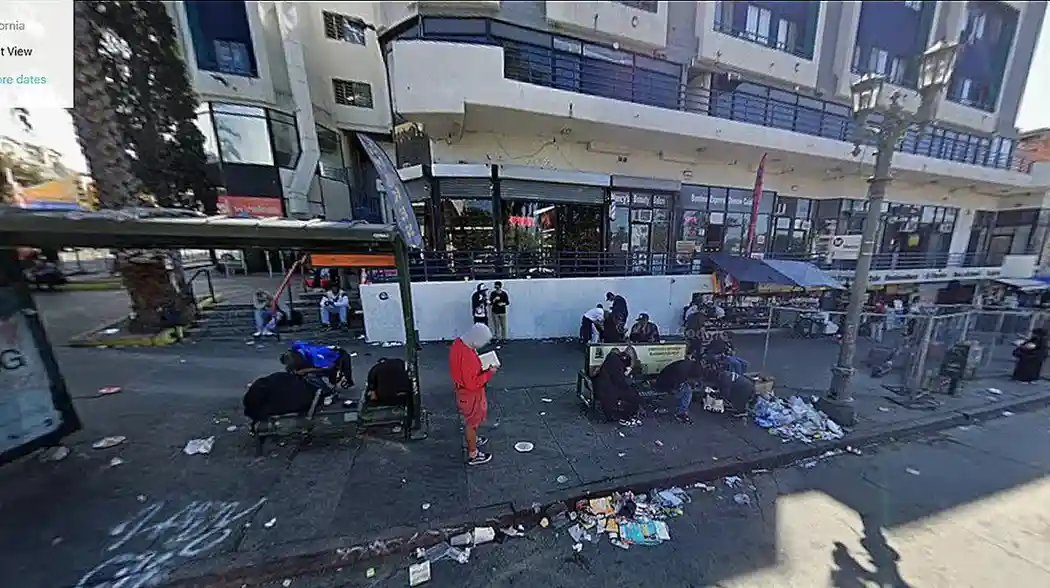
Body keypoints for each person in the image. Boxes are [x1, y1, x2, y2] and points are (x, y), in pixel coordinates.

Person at [450, 323, 497, 465]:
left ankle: (473, 439)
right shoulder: (468, 356)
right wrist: (489, 373)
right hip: (470, 394)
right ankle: (473, 453)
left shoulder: (458, 343)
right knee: (472, 423)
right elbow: (472, 383)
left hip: (462, 391)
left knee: (471, 421)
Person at [593, 348, 641, 425]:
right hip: (608, 392)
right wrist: (627, 375)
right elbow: (620, 382)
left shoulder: (612, 359)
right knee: (633, 395)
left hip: (603, 388)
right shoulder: (617, 362)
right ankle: (627, 414)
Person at [652, 358, 704, 423]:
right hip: (664, 384)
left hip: (666, 380)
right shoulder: (681, 373)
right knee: (688, 392)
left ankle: (680, 410)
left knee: (687, 389)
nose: (695, 382)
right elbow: (675, 390)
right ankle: (680, 412)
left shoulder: (688, 366)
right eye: (695, 380)